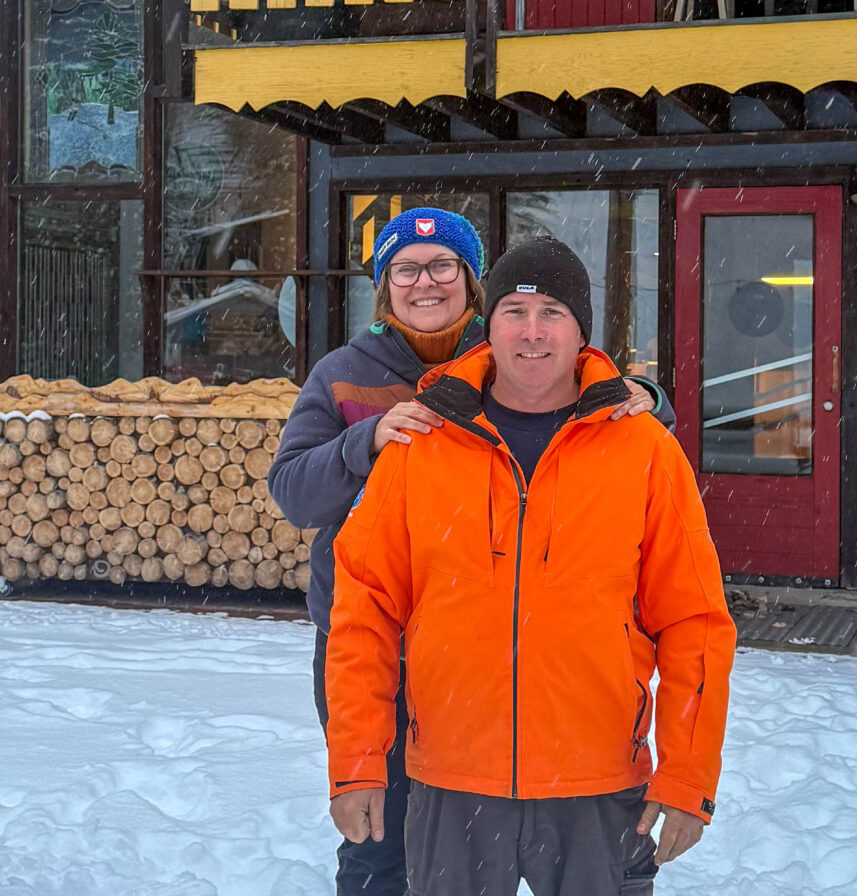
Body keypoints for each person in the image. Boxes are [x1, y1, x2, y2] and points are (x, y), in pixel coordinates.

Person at [268, 211, 667, 896]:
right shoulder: (342, 374)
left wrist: (645, 396)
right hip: (370, 643)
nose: (425, 282)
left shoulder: (513, 347)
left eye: (443, 266)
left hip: (482, 658)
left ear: (471, 281)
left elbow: (602, 414)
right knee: (378, 841)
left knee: (480, 843)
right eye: (406, 268)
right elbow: (294, 493)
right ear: (383, 286)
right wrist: (366, 443)